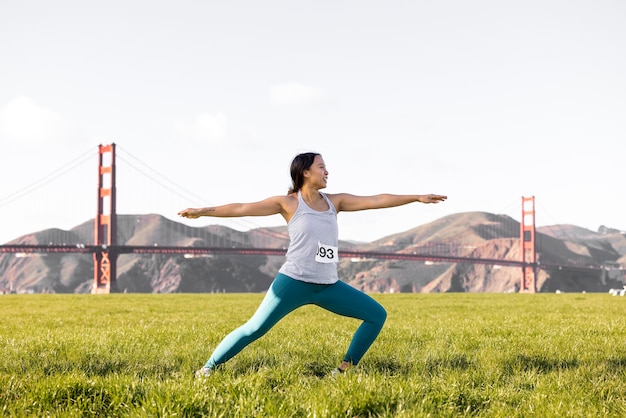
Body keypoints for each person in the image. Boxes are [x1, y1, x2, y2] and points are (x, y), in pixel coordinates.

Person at [178, 152, 447, 377]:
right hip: (293, 282)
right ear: (305, 172)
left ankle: (342, 371)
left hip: (328, 285)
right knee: (254, 329)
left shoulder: (335, 202)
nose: (327, 172)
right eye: (322, 167)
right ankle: (208, 369)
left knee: (376, 315)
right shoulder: (288, 203)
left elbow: (376, 200)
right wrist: (202, 211)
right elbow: (241, 208)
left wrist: (415, 197)